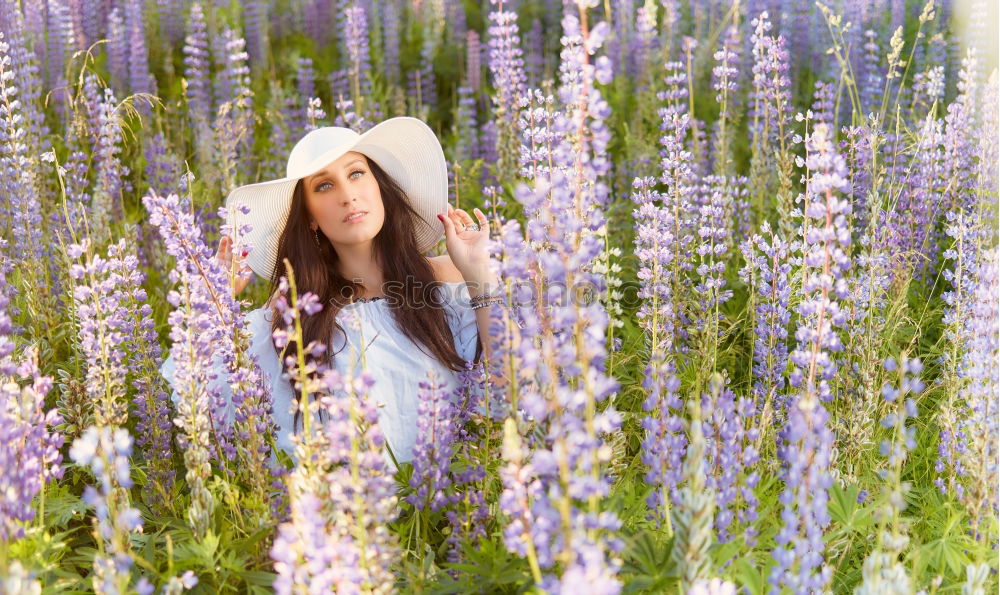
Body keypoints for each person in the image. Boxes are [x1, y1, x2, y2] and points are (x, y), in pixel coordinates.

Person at [161, 117, 505, 469]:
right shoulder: (297, 314)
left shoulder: (445, 280)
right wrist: (215, 302)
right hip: (342, 513)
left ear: (379, 187)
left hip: (445, 510)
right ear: (310, 217)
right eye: (324, 186)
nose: (347, 195)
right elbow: (190, 393)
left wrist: (479, 273)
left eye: (356, 173)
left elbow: (513, 387)